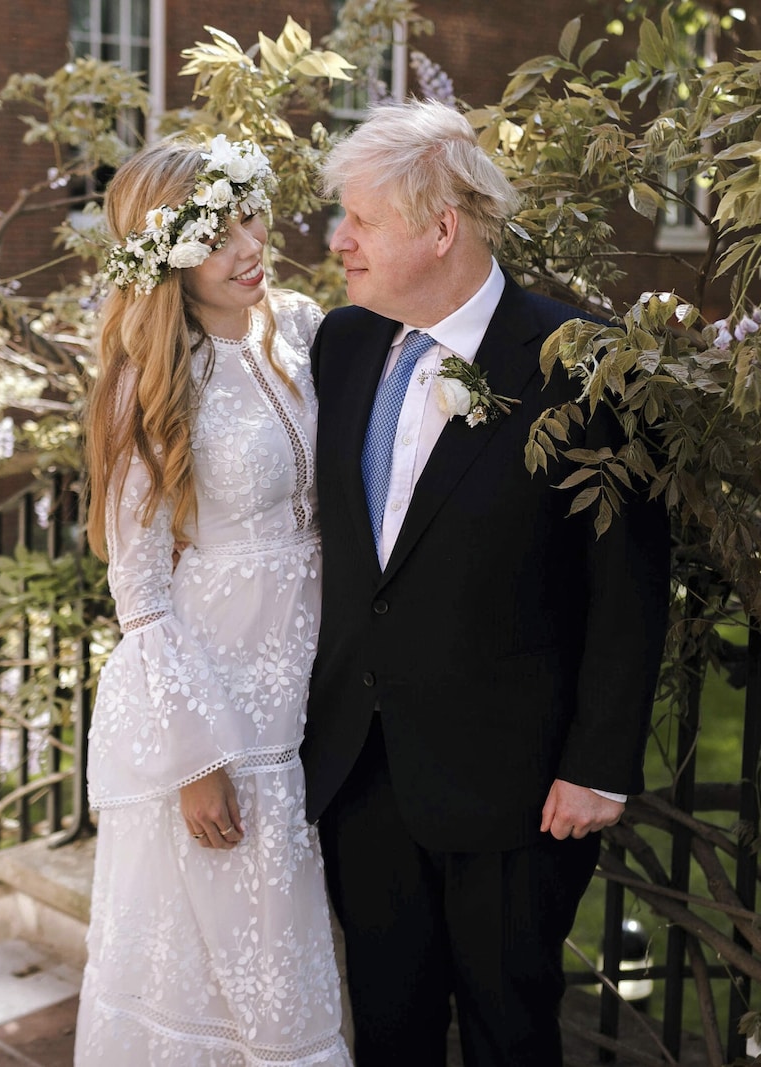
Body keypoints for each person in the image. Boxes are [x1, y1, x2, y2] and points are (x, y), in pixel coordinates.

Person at [300, 98, 670, 1067]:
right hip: (360, 766)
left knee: (510, 1028)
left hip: (516, 783)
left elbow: (626, 580)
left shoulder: (582, 363)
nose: (338, 242)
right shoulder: (341, 346)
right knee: (387, 1025)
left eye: (359, 221)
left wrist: (597, 763)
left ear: (439, 228)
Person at [75, 135, 351, 1067]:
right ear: (165, 257)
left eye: (249, 213)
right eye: (215, 231)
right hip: (221, 703)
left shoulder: (305, 328)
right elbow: (142, 590)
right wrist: (196, 757)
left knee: (300, 943)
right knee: (230, 958)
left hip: (320, 675)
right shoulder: (152, 382)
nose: (248, 243)